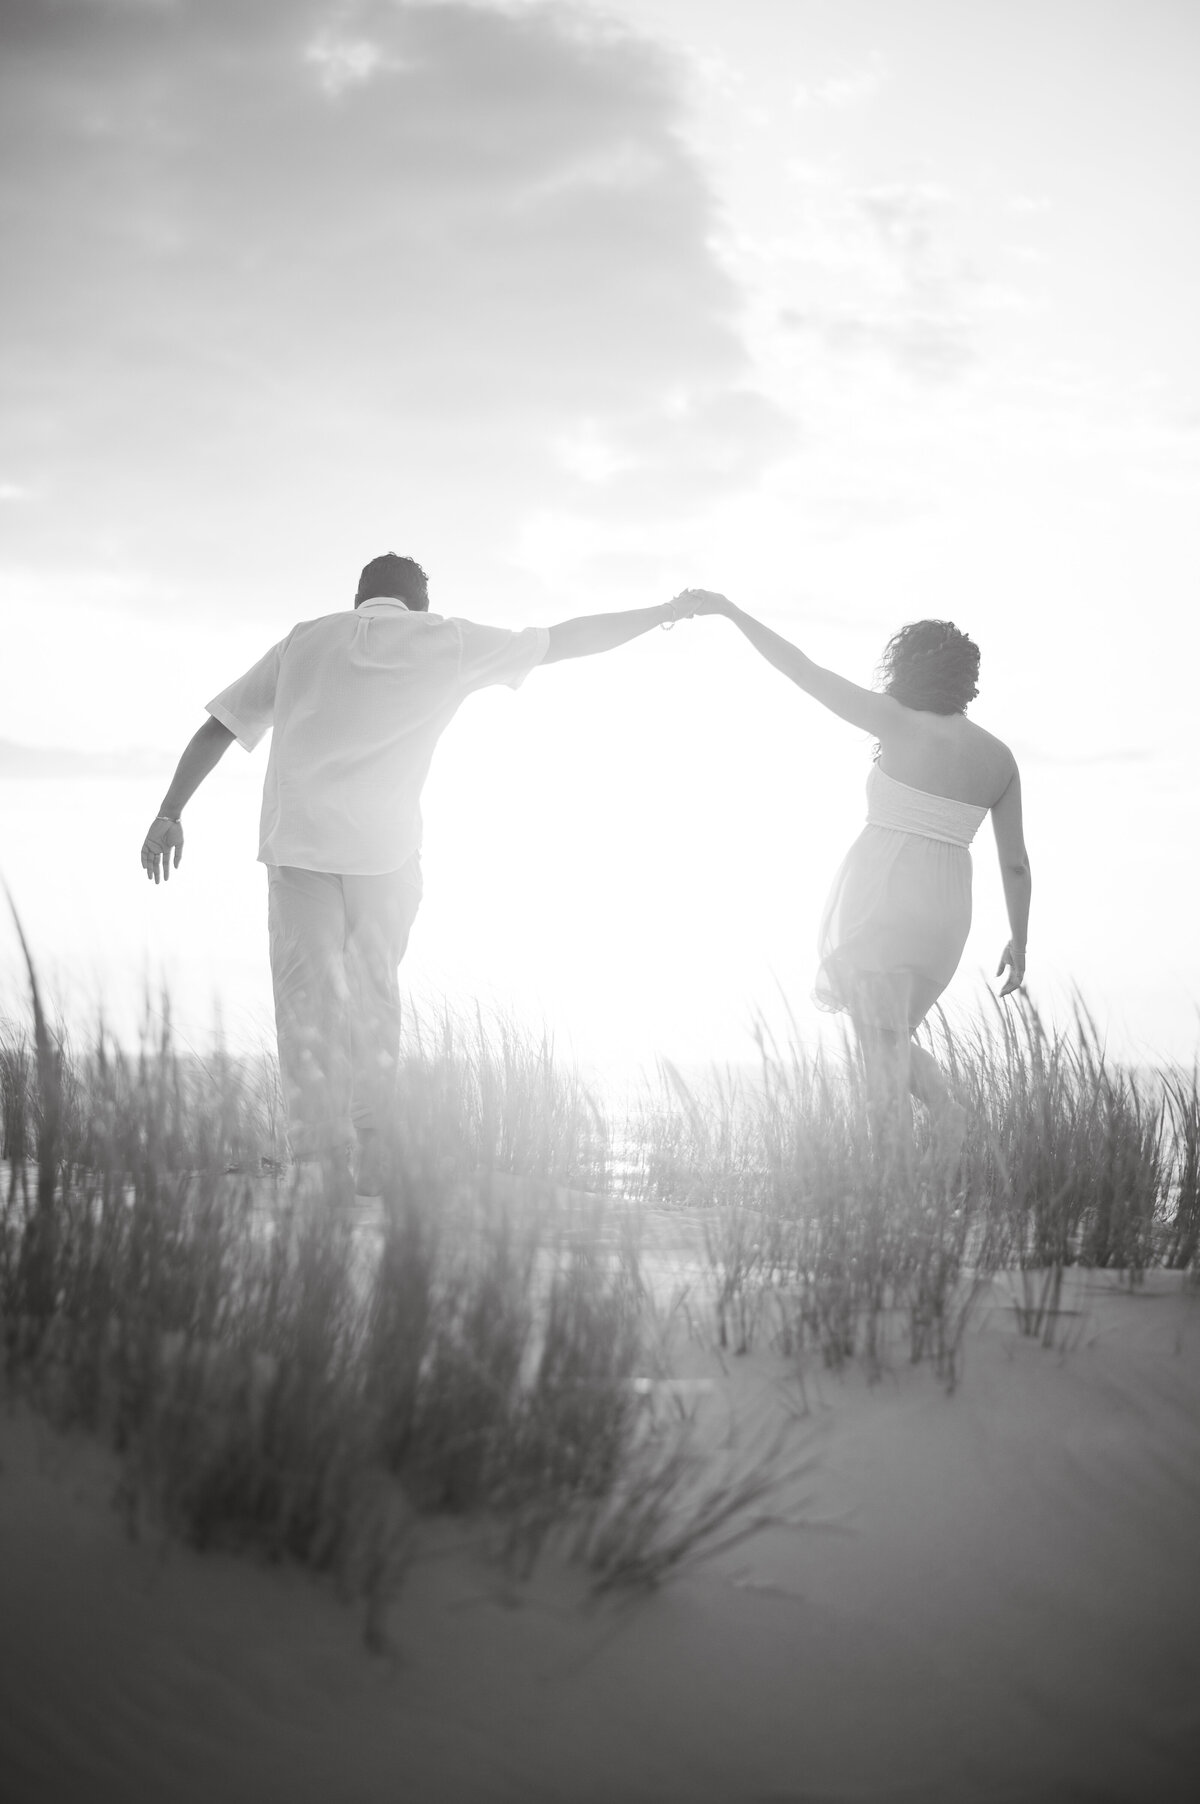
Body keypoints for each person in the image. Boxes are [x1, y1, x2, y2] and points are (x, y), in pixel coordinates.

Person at [140, 552, 695, 1194]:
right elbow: (562, 641)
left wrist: (168, 813)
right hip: (386, 855)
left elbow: (220, 727)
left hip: (299, 852)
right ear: (418, 606)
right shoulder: (445, 641)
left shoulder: (304, 641)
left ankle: (321, 1162)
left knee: (307, 1004)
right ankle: (373, 1153)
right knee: (373, 996)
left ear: (360, 599)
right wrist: (661, 614)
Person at [682, 592, 1030, 1163]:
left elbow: (803, 670)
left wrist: (732, 612)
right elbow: (1015, 863)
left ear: (909, 668)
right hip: (947, 913)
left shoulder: (893, 720)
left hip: (887, 899)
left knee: (878, 1048)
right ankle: (945, 1116)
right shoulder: (1000, 758)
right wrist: (1019, 941)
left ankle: (894, 1177)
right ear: (968, 679)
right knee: (887, 1037)